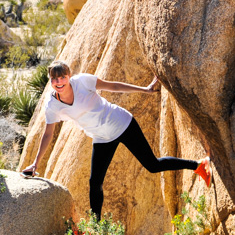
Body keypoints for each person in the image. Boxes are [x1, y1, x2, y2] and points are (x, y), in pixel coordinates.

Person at [20, 60, 211, 219]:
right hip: (102, 137)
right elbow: (48, 134)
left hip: (122, 123)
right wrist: (36, 163)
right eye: (54, 79)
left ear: (69, 76)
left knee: (152, 165)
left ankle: (199, 165)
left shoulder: (83, 82)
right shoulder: (53, 105)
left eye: (62, 77)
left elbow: (113, 86)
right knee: (95, 182)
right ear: (50, 81)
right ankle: (96, 227)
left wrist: (144, 90)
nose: (59, 82)